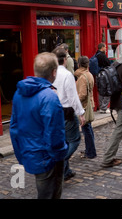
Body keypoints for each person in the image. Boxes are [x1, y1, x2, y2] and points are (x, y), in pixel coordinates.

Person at [10, 52, 68, 199]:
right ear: (54, 72)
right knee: (49, 194)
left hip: (30, 152)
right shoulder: (49, 97)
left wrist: (20, 153)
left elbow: (14, 128)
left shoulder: (19, 93)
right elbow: (54, 133)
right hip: (47, 157)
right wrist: (59, 154)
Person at [52, 47, 85, 181]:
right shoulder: (67, 75)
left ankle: (66, 171)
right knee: (75, 140)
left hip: (55, 110)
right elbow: (73, 97)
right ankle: (60, 163)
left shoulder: (51, 73)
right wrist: (81, 113)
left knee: (64, 141)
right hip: (67, 111)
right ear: (65, 59)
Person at [74, 56, 97, 159]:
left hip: (84, 106)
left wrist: (75, 102)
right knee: (88, 129)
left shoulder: (83, 77)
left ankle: (91, 152)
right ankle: (89, 150)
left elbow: (82, 94)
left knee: (86, 130)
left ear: (79, 65)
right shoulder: (89, 74)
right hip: (89, 104)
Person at [94, 43, 112, 114]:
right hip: (104, 75)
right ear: (102, 48)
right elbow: (108, 64)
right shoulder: (102, 55)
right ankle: (104, 108)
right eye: (105, 47)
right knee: (108, 90)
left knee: (100, 90)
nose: (106, 48)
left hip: (98, 75)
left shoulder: (96, 54)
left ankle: (101, 107)